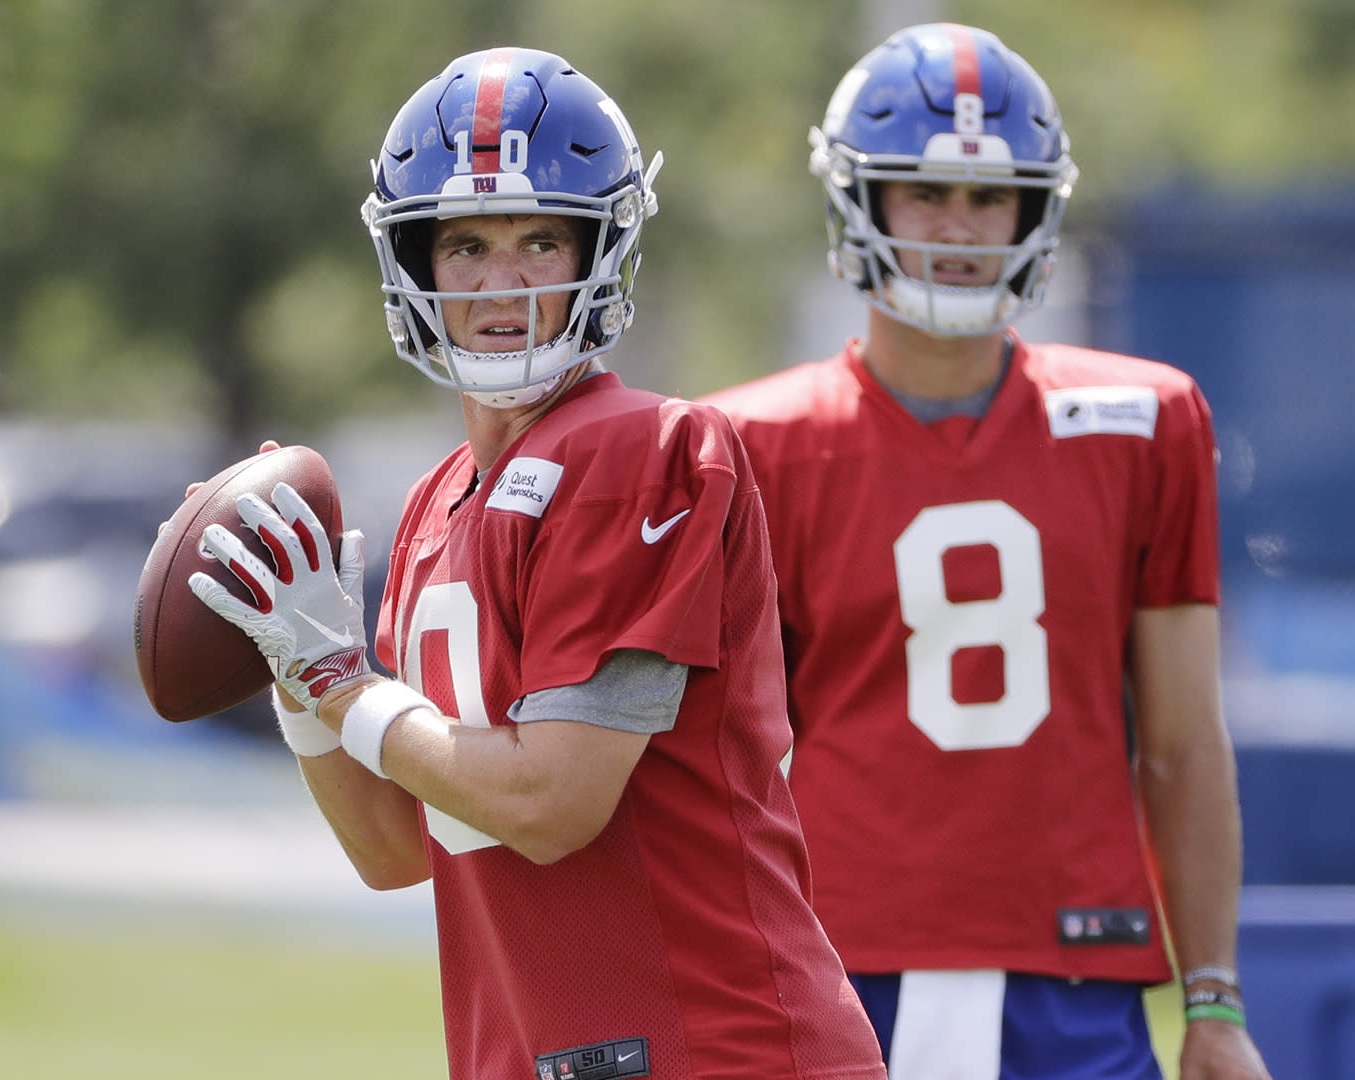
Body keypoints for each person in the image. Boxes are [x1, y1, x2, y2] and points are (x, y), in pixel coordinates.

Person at [181, 47, 887, 1080]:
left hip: (720, 1048)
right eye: (466, 244)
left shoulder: (638, 449)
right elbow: (393, 850)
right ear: (415, 263)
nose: (505, 283)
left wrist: (343, 685)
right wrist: (301, 683)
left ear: (602, 251)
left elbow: (551, 807)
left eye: (542, 240)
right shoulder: (432, 507)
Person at [701, 24, 1272, 1080]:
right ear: (859, 201)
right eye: (925, 191)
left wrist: (1215, 1001)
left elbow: (1184, 741)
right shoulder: (742, 445)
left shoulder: (1147, 421)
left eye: (989, 196)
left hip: (1074, 966)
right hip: (831, 964)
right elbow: (706, 768)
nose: (959, 225)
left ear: (1035, 209)